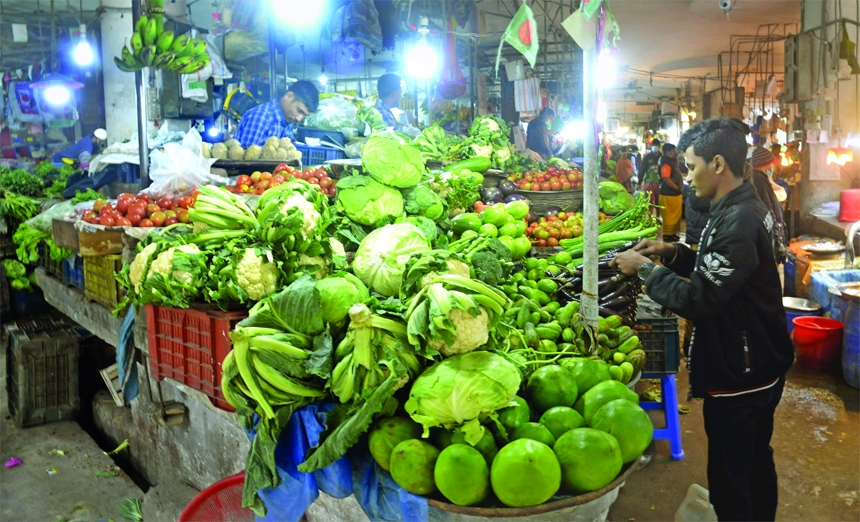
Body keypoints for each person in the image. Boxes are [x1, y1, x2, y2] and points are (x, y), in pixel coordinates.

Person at [612, 117, 793, 522]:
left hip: (741, 373)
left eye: (691, 167)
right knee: (755, 460)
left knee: (730, 484)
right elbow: (721, 270)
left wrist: (644, 269)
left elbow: (700, 298)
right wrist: (672, 253)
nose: (687, 177)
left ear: (717, 164)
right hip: (759, 361)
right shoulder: (738, 206)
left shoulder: (739, 221)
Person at [234, 81, 319, 147]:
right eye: (299, 111)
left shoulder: (288, 120)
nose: (299, 118)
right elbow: (248, 161)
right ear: (288, 96)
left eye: (304, 115)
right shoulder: (261, 116)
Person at [658, 143, 684, 242]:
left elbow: (676, 166)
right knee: (669, 216)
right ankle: (667, 235)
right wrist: (676, 187)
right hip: (668, 193)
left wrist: (675, 157)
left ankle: (672, 233)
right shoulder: (665, 162)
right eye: (673, 151)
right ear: (668, 152)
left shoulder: (671, 160)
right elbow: (665, 177)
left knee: (675, 215)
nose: (675, 152)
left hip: (674, 194)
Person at [640, 139, 662, 213]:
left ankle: (658, 219)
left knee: (658, 203)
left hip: (660, 183)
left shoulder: (662, 157)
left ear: (659, 147)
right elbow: (642, 169)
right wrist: (639, 182)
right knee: (649, 202)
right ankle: (650, 218)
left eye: (656, 146)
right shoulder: (647, 157)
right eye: (653, 145)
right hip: (649, 182)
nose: (654, 147)